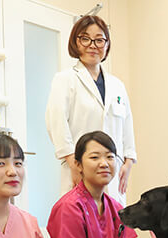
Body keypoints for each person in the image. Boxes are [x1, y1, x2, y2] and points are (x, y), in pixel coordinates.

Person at [45, 15, 137, 205]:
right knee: (81, 221)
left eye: (99, 39)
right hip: (80, 167)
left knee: (113, 222)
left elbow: (127, 125)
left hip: (113, 169)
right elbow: (56, 122)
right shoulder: (65, 79)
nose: (92, 45)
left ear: (107, 44)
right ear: (75, 42)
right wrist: (73, 163)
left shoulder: (117, 85)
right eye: (85, 38)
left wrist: (128, 162)